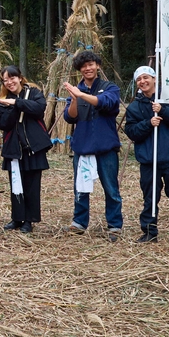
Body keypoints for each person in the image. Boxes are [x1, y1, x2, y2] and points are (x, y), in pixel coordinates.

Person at [123, 66, 169, 243]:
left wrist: (163, 110)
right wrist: (148, 123)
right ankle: (149, 231)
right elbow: (131, 132)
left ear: (154, 79)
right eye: (139, 79)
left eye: (146, 77)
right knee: (150, 198)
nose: (143, 82)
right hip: (148, 160)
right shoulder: (134, 107)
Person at [62, 50, 123, 241]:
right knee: (80, 188)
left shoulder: (109, 87)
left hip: (106, 147)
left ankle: (114, 225)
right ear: (79, 70)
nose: (88, 68)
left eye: (91, 64)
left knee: (111, 189)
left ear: (97, 66)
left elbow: (107, 102)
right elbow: (70, 117)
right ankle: (79, 222)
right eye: (83, 66)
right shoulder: (77, 90)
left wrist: (82, 94)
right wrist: (74, 98)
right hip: (83, 147)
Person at [0, 65, 52, 234]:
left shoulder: (33, 93)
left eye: (12, 78)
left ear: (19, 77)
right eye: (5, 80)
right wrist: (13, 107)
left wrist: (17, 102)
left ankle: (29, 220)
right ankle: (17, 218)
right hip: (13, 148)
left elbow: (39, 109)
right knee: (15, 184)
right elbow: (1, 122)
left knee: (32, 185)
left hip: (33, 147)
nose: (10, 82)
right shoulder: (3, 99)